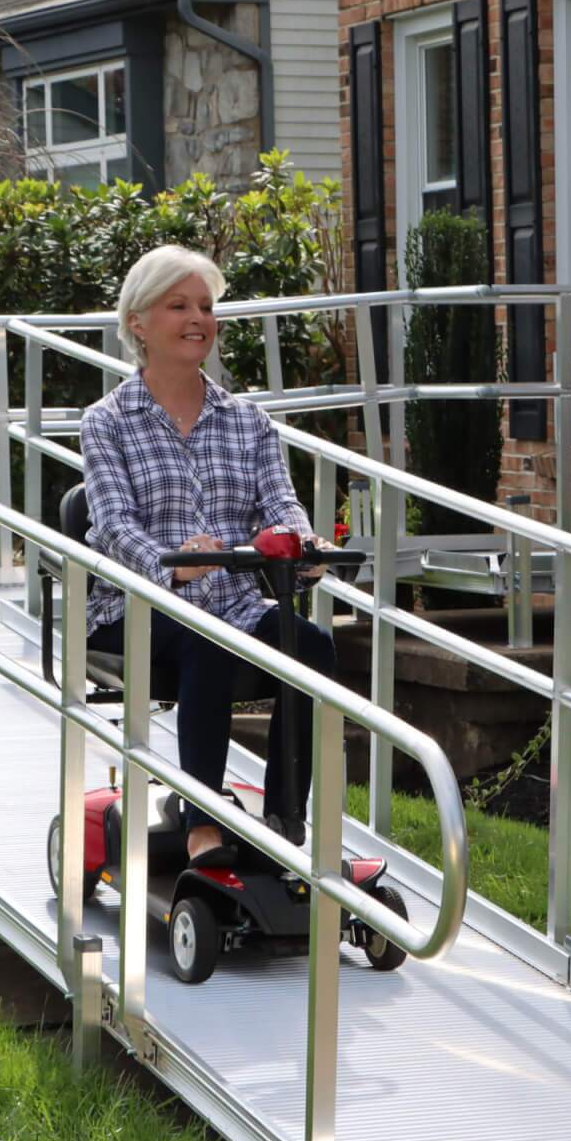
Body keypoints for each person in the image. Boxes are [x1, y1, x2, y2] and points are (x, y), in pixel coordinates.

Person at [79, 245, 338, 865]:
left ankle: (283, 821)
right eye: (179, 305)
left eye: (205, 306)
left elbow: (281, 506)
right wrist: (171, 560)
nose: (198, 318)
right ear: (137, 322)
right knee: (208, 640)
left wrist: (303, 547)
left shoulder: (247, 422)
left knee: (314, 646)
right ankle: (203, 823)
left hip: (235, 602)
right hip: (137, 608)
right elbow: (111, 525)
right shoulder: (107, 421)